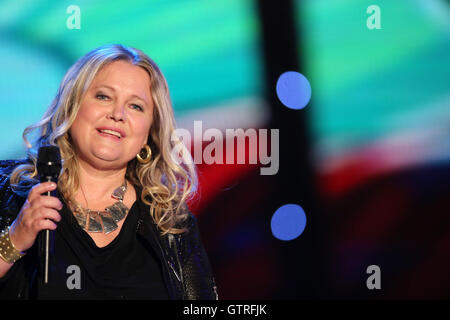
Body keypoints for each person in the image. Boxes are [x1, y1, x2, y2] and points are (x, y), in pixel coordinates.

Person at [0, 44, 218, 300]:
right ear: (73, 105)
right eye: (104, 96)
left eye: (136, 106)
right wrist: (14, 240)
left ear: (149, 132)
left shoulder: (170, 223)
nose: (117, 114)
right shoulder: (10, 188)